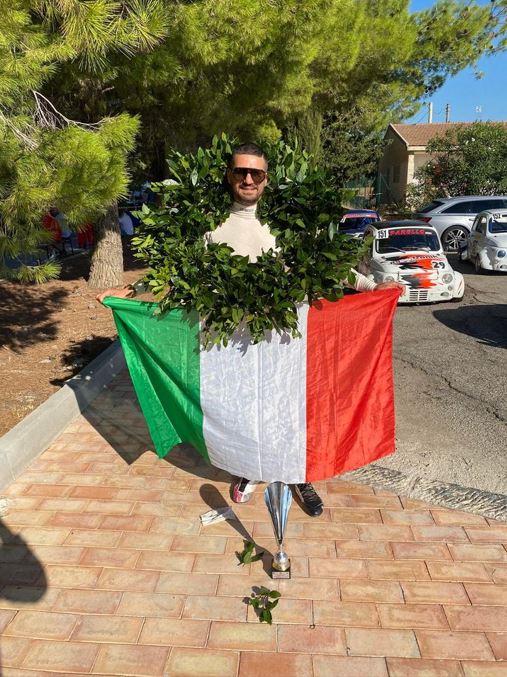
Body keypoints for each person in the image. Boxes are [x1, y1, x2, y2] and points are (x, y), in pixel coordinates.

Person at [97, 143, 403, 516]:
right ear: (229, 175)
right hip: (232, 338)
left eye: (256, 173)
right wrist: (131, 292)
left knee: (288, 408)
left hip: (287, 337)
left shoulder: (288, 225)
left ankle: (298, 475)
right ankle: (248, 467)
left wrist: (372, 287)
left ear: (266, 179)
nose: (248, 179)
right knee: (243, 406)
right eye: (240, 171)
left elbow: (329, 268)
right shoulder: (209, 225)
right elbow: (177, 271)